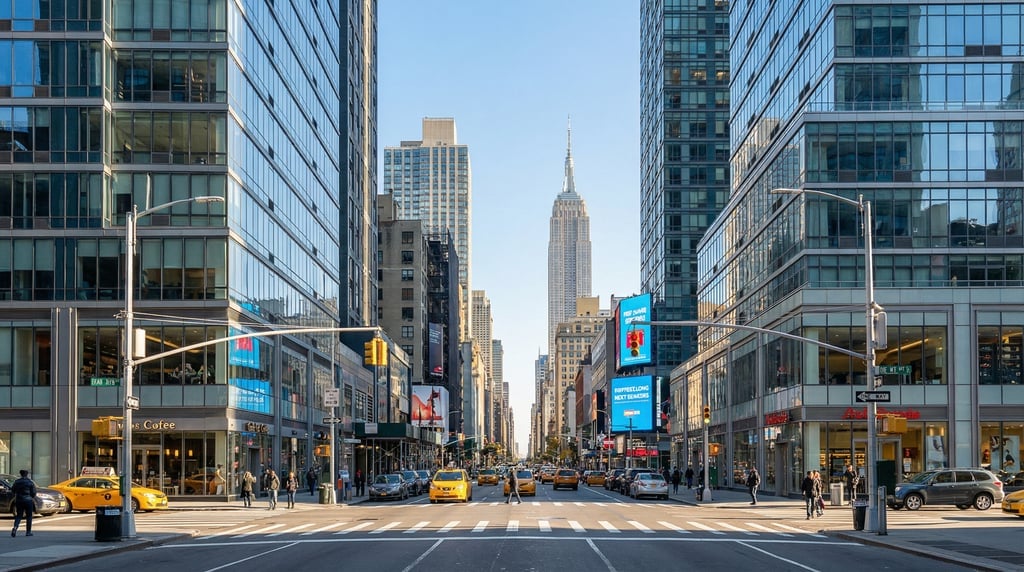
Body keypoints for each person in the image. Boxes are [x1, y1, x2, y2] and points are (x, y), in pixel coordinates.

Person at [11, 469, 37, 537]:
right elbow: (33, 492)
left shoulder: (17, 482)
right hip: (28, 500)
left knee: (19, 515)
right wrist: (31, 497)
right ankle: (28, 532)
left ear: (20, 474)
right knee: (29, 516)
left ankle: (15, 528)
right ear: (27, 474)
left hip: (19, 500)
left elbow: (13, 490)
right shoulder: (30, 482)